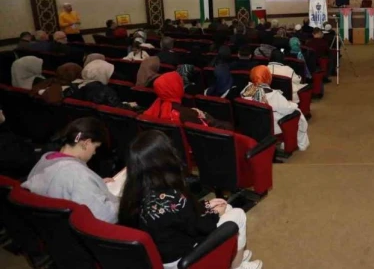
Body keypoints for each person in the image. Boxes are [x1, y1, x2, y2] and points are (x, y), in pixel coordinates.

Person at [118, 130, 262, 269]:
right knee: (238, 215)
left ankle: (235, 254)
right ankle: (237, 266)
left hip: (160, 255)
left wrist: (206, 205)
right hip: (183, 259)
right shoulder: (171, 196)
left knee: (227, 208)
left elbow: (180, 217)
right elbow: (200, 227)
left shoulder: (132, 192)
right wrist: (215, 213)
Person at [22, 117, 118, 223]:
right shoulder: (77, 174)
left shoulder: (47, 158)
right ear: (86, 143)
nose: (94, 153)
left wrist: (94, 185)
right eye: (95, 147)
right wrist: (124, 201)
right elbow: (105, 216)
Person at [241, 66, 309, 152]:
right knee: (297, 112)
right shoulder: (273, 95)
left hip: (252, 124)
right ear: (268, 77)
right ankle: (302, 144)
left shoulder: (246, 90)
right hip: (272, 126)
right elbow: (288, 109)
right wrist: (293, 104)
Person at [143, 72, 231, 129]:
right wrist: (205, 116)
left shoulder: (154, 108)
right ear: (175, 88)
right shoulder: (186, 114)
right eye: (179, 83)